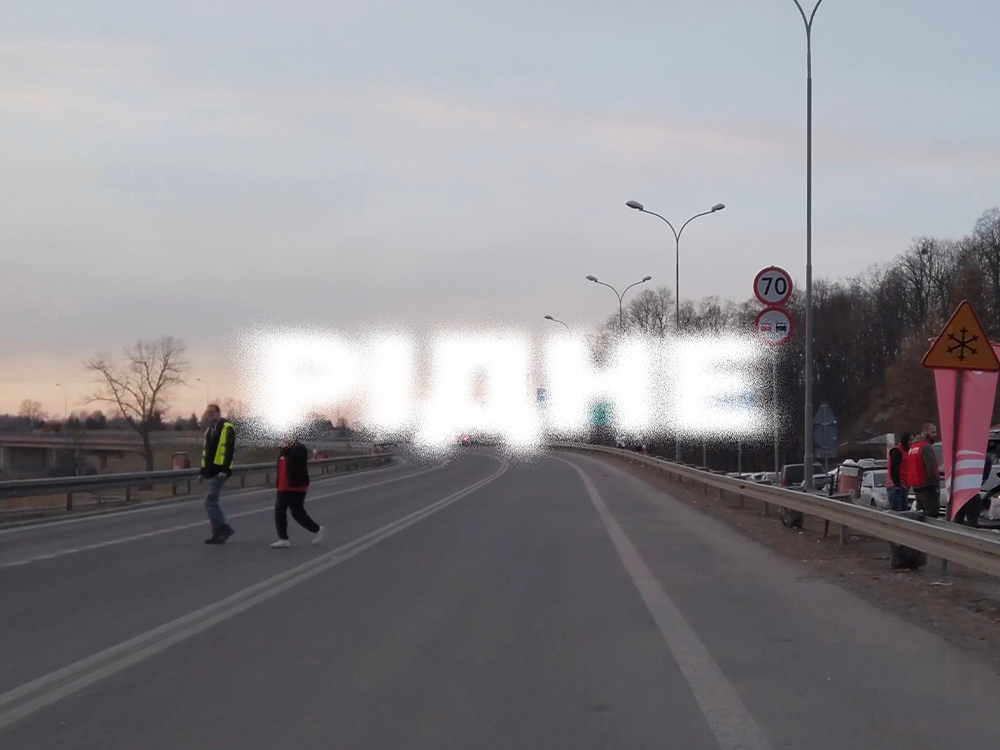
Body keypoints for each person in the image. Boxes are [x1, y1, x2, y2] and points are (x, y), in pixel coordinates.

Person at [270, 435, 324, 548]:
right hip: (283, 487)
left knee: (297, 513)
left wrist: (286, 448)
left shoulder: (300, 449)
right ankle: (283, 538)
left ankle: (317, 529)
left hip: (296, 486)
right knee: (279, 511)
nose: (285, 439)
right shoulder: (284, 451)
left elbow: (297, 462)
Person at [201, 404, 236, 544]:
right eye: (208, 412)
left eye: (212, 412)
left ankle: (222, 528)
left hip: (221, 471)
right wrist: (203, 472)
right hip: (211, 471)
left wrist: (225, 470)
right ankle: (218, 532)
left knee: (210, 500)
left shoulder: (227, 428)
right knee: (210, 501)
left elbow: (229, 450)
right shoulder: (210, 429)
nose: (210, 414)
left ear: (218, 413)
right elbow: (207, 453)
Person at [907, 423, 941, 518]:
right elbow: (931, 468)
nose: (935, 434)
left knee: (920, 515)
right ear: (925, 432)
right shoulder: (926, 447)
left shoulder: (913, 447)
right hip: (928, 487)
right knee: (931, 516)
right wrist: (936, 484)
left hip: (917, 487)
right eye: (933, 432)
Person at [886, 431, 913, 512]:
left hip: (904, 487)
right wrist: (897, 484)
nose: (911, 443)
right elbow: (894, 468)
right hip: (896, 487)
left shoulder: (907, 452)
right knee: (897, 512)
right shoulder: (897, 451)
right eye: (910, 440)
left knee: (903, 512)